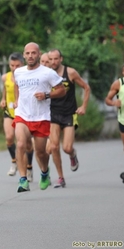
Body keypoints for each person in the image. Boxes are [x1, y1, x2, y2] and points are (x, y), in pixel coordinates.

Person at [13, 42, 65, 193]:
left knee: (40, 152)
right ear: (24, 55)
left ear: (39, 54)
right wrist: (17, 100)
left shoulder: (47, 73)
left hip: (41, 117)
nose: (30, 56)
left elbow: (61, 90)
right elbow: (16, 85)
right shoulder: (18, 72)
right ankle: (23, 180)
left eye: (33, 53)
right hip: (22, 114)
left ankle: (44, 171)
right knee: (21, 144)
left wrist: (47, 94)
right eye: (27, 53)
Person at [47, 49, 91, 188]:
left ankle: (72, 154)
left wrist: (83, 106)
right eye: (51, 59)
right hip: (53, 113)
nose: (53, 62)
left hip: (69, 113)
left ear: (61, 59)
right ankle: (61, 177)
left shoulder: (70, 72)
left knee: (66, 148)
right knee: (54, 146)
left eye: (56, 59)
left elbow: (86, 87)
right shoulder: (46, 73)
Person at [0, 53, 35, 180]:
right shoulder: (5, 77)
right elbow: (5, 88)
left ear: (23, 64)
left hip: (24, 114)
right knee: (9, 137)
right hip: (9, 112)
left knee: (28, 144)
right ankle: (14, 161)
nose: (14, 68)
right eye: (12, 65)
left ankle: (29, 166)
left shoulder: (28, 76)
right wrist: (3, 99)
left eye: (17, 65)